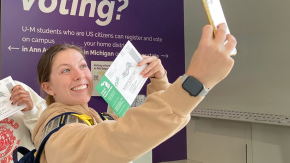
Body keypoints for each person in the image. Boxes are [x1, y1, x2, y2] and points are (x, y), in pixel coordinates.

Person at [32, 24, 236, 163]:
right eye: (66, 70)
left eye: (82, 65)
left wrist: (159, 79)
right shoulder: (58, 134)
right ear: (48, 87)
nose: (80, 75)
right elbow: (118, 138)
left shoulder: (93, 117)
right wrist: (196, 81)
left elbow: (146, 128)